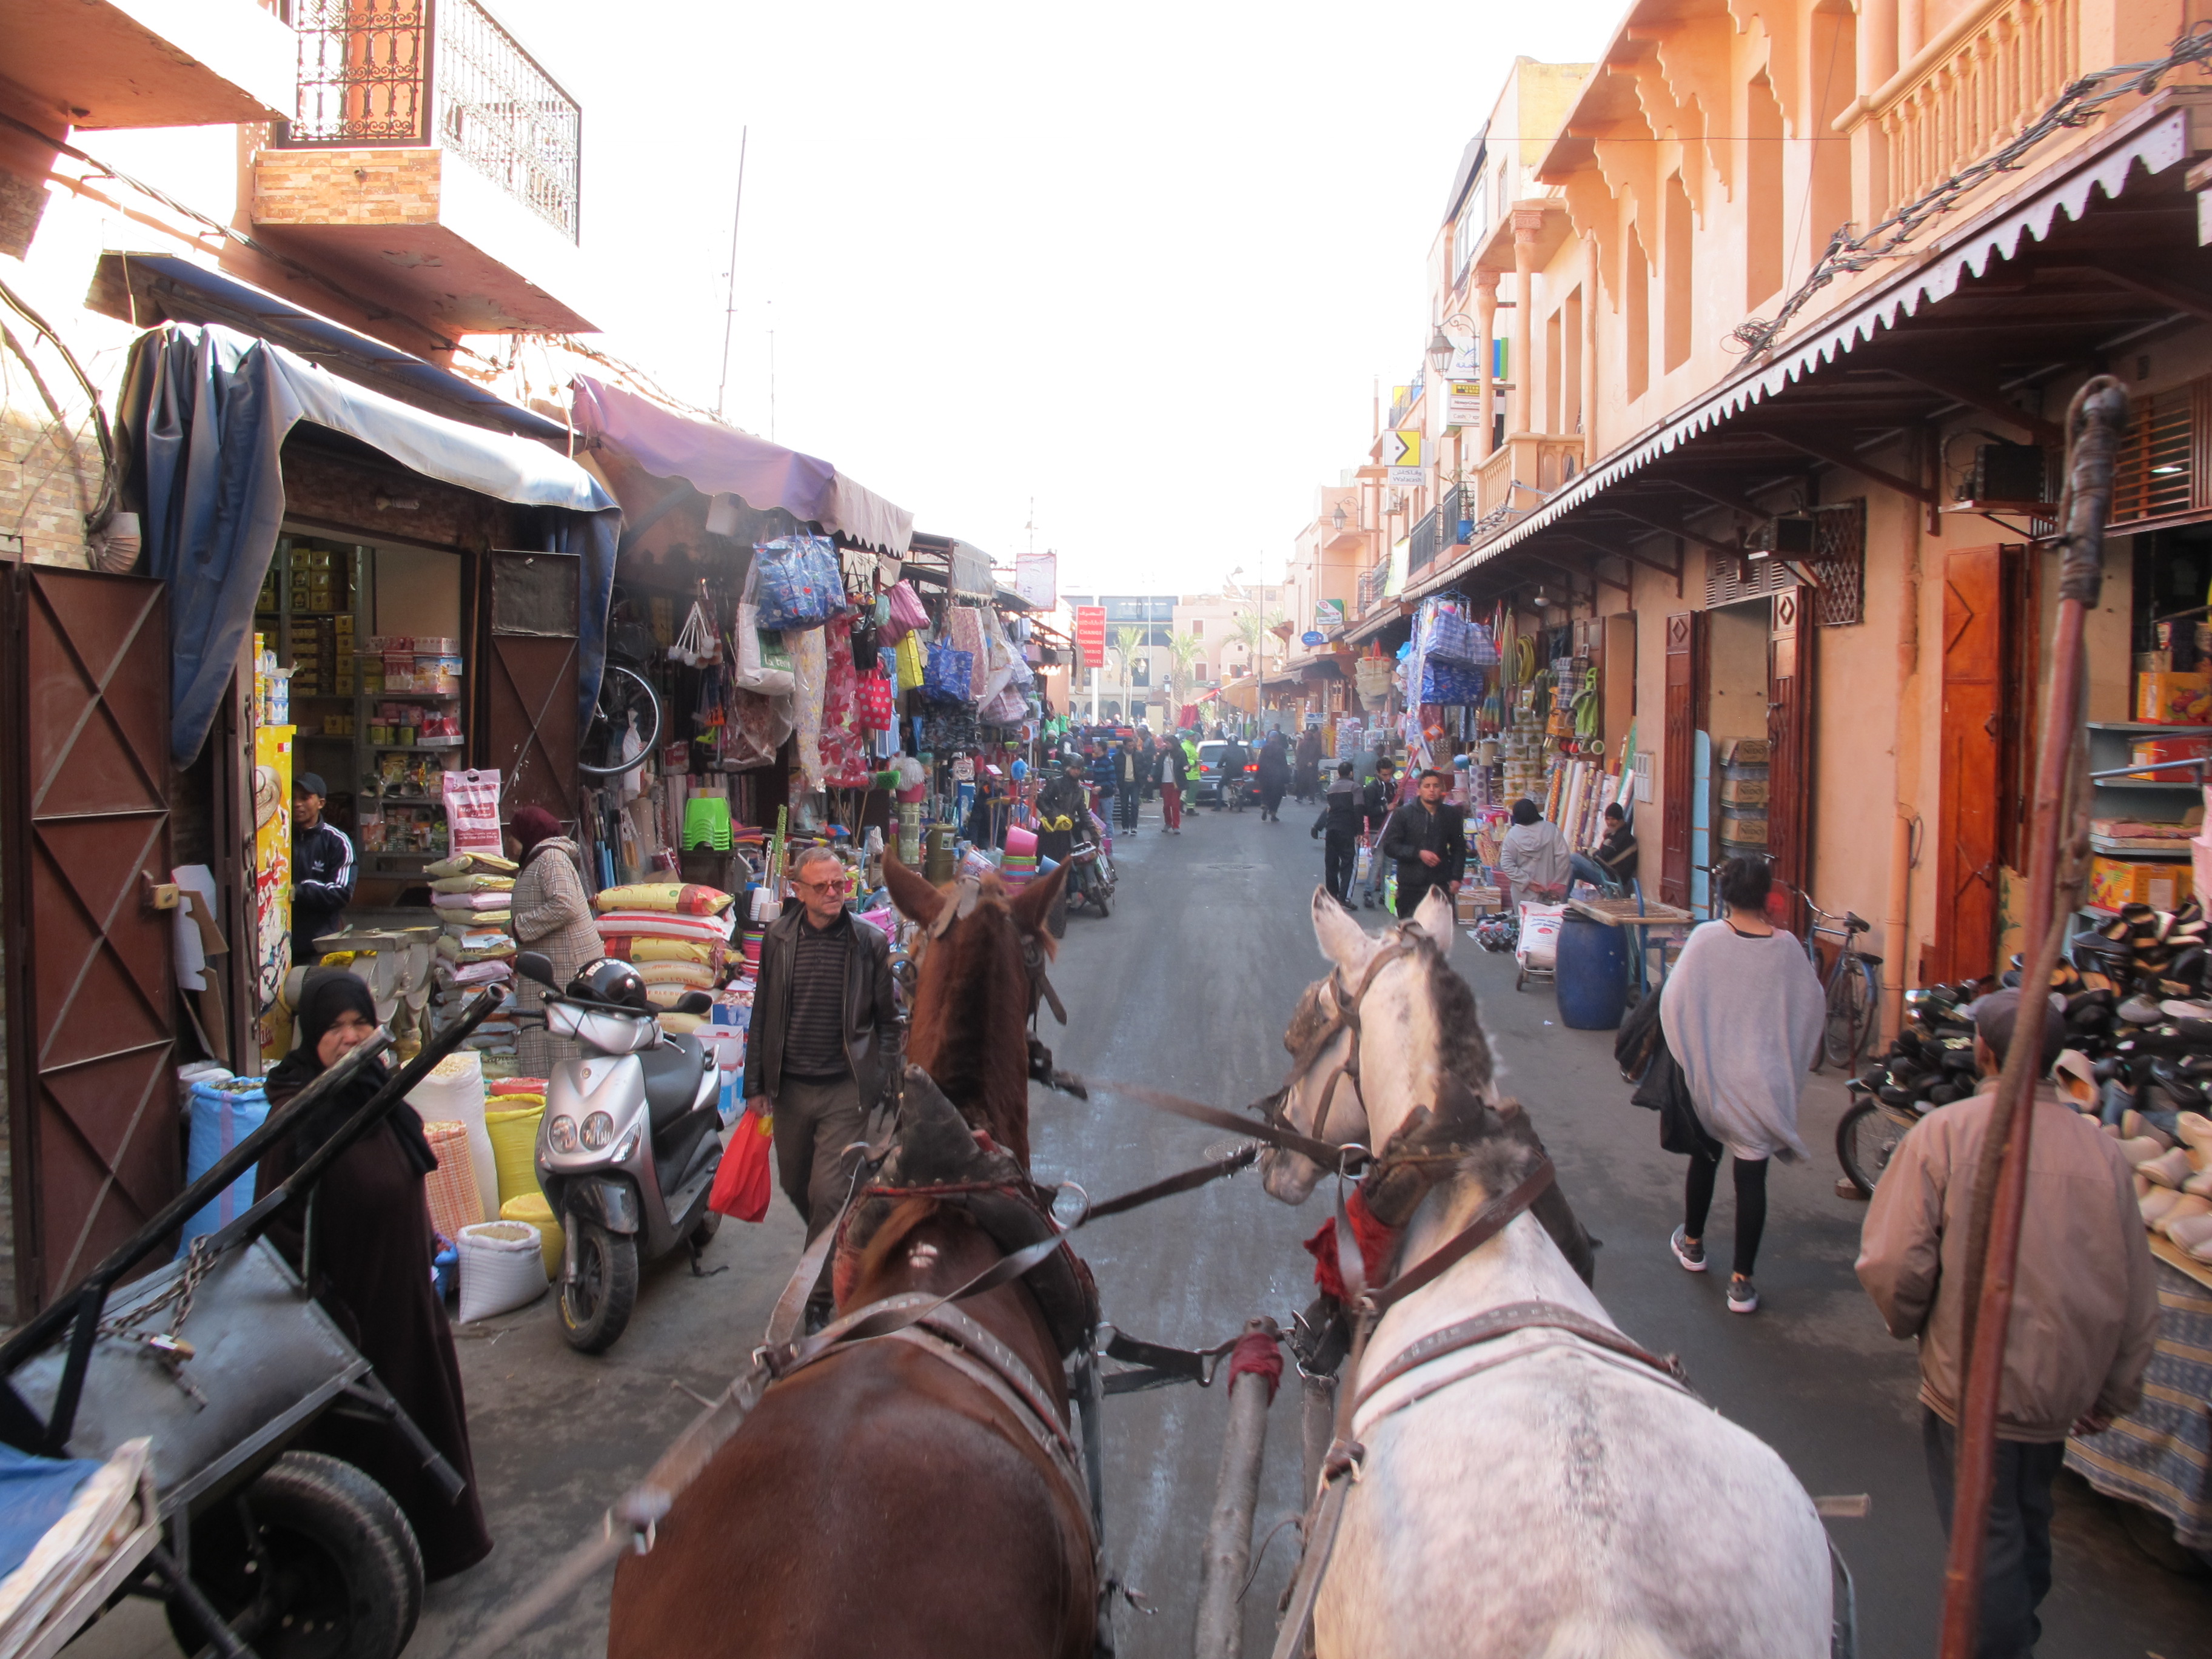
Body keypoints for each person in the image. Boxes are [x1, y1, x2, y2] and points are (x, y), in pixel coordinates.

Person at [1857, 988, 2156, 1659]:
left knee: (1986, 1536)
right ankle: (2015, 1626)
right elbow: (2138, 1291)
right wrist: (2112, 1392)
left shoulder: (1946, 1134)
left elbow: (1892, 1263)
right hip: (2058, 1390)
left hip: (1972, 1385)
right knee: (2026, 1519)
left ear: (1984, 1052)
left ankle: (2000, 1645)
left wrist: (1910, 1325)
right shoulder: (2102, 1153)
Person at [255, 972, 491, 1578]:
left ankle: (435, 1549)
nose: (350, 1037)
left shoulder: (377, 1091)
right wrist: (326, 1313)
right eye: (335, 1028)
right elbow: (278, 1230)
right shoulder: (294, 1114)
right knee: (370, 1439)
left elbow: (407, 1175)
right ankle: (366, 1567)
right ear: (312, 1035)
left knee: (423, 1417)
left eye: (360, 1024)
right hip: (350, 1316)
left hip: (405, 1297)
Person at [743, 846, 903, 1326]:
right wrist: (756, 1084)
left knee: (828, 1193)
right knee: (799, 1185)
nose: (835, 893)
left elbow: (888, 1021)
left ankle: (816, 1301)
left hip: (844, 1087)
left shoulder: (868, 942)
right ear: (798, 891)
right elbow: (763, 1012)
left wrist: (883, 1082)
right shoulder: (778, 939)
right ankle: (848, 1235)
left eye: (841, 884)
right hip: (790, 1087)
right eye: (823, 887)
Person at [1658, 856, 1823, 1315]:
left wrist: (1693, 1054)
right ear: (1767, 894)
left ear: (1725, 894)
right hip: (1764, 1083)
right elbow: (1812, 1005)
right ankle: (1741, 1284)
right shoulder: (1788, 947)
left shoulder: (1707, 939)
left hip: (1715, 1077)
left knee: (1706, 1157)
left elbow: (1673, 1002)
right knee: (1752, 1180)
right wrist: (1788, 1057)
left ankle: (1692, 1244)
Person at [506, 806, 602, 1077]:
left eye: (512, 837)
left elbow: (566, 903)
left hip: (565, 967)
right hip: (550, 965)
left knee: (563, 1045)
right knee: (548, 1038)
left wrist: (520, 926)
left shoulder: (550, 859)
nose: (508, 845)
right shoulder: (536, 860)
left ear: (528, 835)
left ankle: (565, 1105)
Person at [1377, 769, 1467, 919]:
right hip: (1410, 886)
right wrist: (1418, 853)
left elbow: (1459, 848)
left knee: (1435, 938)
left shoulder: (1451, 815)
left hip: (1439, 885)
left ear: (1442, 790)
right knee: (1411, 936)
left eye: (1436, 786)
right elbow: (1390, 846)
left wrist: (1456, 877)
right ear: (1419, 791)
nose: (1432, 790)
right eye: (1427, 786)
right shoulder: (1403, 814)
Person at [292, 772, 355, 963]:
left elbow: (342, 892)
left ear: (321, 803)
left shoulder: (337, 842)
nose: (297, 804)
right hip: (278, 946)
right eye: (293, 797)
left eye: (305, 798)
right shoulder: (278, 838)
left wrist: (299, 891)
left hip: (319, 949)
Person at [1035, 757, 1091, 936]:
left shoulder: (1079, 791)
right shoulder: (1055, 784)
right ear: (1068, 768)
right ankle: (1045, 906)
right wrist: (1052, 815)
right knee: (1048, 869)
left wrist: (1094, 832)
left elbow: (1083, 813)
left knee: (1064, 869)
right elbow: (1041, 801)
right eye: (1074, 768)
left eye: (1079, 769)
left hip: (1065, 834)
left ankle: (1061, 906)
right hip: (1049, 833)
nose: (1076, 771)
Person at [1498, 797, 1574, 909]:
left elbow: (1506, 865)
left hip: (1523, 893)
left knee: (1525, 923)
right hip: (1550, 892)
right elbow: (1563, 857)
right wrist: (1558, 882)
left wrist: (1527, 882)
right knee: (1550, 924)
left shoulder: (1512, 835)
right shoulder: (1551, 829)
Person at [1312, 762, 1365, 904]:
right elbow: (1358, 809)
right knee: (1348, 864)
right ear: (1351, 773)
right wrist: (1361, 831)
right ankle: (1344, 897)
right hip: (1348, 830)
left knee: (1331, 864)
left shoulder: (1331, 789)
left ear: (1339, 774)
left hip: (1332, 829)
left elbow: (1329, 809)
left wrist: (1318, 826)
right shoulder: (1355, 787)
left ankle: (1332, 896)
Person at [1357, 757, 1400, 908]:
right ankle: (1368, 892)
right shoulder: (1372, 788)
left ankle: (1385, 894)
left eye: (1390, 774)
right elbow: (1368, 810)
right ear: (1378, 773)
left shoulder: (1394, 786)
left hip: (1392, 829)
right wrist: (1385, 808)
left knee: (1388, 863)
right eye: (1384, 775)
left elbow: (1397, 805)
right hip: (1378, 829)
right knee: (1378, 862)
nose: (1388, 778)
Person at [1570, 802, 1637, 893]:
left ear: (1620, 819)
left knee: (1573, 857)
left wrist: (1591, 852)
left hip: (1612, 877)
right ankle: (1564, 901)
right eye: (1607, 819)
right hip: (1607, 873)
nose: (1610, 822)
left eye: (1613, 819)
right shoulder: (1614, 835)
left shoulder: (1624, 837)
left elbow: (1603, 857)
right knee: (1571, 869)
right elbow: (1604, 855)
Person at [1157, 731, 1187, 834]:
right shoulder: (1163, 754)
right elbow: (1158, 766)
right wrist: (1152, 775)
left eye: (1168, 743)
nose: (1167, 745)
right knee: (1166, 805)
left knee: (1175, 805)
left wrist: (1186, 768)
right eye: (1166, 743)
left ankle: (1176, 825)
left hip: (1175, 783)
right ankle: (1168, 823)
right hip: (1165, 782)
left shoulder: (1181, 753)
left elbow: (1185, 764)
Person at [1256, 731, 1290, 822]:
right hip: (1277, 777)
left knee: (1265, 792)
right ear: (1277, 738)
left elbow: (1260, 762)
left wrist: (1257, 775)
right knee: (1277, 796)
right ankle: (1273, 814)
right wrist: (1287, 779)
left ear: (1269, 738)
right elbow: (1284, 764)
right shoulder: (1280, 749)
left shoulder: (1264, 748)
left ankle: (1264, 805)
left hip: (1265, 776)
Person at [1113, 737, 1142, 834]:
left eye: (1133, 745)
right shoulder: (1117, 757)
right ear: (1124, 746)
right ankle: (1125, 826)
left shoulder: (1138, 755)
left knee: (1135, 804)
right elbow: (1115, 770)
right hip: (1123, 783)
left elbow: (1144, 766)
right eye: (1129, 746)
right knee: (1124, 805)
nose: (1131, 748)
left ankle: (1134, 826)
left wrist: (1143, 777)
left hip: (1135, 783)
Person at [1216, 732, 1248, 811]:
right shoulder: (1242, 751)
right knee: (1243, 785)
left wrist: (1220, 766)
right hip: (1240, 774)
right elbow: (1246, 761)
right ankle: (1243, 798)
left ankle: (1218, 807)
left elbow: (1220, 763)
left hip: (1229, 774)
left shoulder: (1226, 751)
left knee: (1220, 786)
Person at [1294, 726, 1324, 805]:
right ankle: (1311, 799)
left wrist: (1301, 763)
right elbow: (1318, 755)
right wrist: (1312, 763)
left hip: (1302, 767)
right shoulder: (1316, 744)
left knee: (1301, 782)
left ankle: (1299, 797)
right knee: (1312, 783)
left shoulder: (1301, 744)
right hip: (1312, 768)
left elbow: (1298, 755)